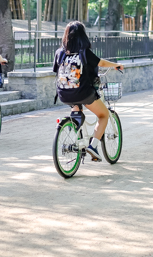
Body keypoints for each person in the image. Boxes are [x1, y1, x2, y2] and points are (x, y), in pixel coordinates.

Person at [53, 20, 124, 162]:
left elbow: (56, 70)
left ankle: (77, 136)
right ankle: (93, 146)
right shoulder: (84, 52)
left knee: (77, 111)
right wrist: (116, 65)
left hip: (64, 94)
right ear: (82, 36)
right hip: (83, 93)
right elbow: (101, 63)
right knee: (103, 114)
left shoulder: (59, 53)